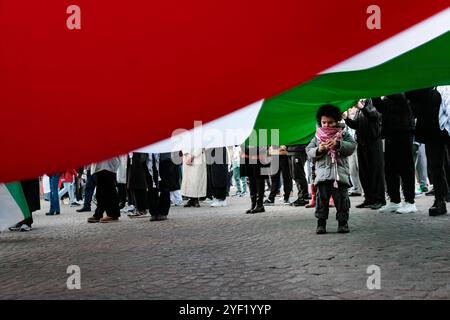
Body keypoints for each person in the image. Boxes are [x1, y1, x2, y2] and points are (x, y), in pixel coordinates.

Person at [306, 104, 356, 234]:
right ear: (320, 122)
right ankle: (321, 224)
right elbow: (309, 151)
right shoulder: (317, 137)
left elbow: (352, 147)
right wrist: (319, 149)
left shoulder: (343, 134)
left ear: (337, 121)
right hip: (323, 176)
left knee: (342, 201)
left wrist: (339, 144)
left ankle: (343, 223)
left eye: (330, 122)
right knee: (321, 201)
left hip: (339, 175)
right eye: (324, 122)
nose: (327, 125)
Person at [373, 94, 417, 214]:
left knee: (406, 168)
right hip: (390, 132)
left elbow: (402, 99)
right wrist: (374, 94)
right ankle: (394, 200)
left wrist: (385, 89)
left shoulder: (402, 90)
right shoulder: (388, 97)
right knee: (390, 169)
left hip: (404, 131)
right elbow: (381, 107)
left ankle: (410, 201)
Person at [343, 99, 385, 209]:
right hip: (362, 143)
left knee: (375, 172)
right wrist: (346, 118)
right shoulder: (360, 111)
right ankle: (369, 198)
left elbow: (374, 116)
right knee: (364, 172)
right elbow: (356, 125)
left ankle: (379, 199)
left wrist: (362, 108)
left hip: (373, 143)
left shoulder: (374, 106)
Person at [87, 157, 121, 223]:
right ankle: (98, 213)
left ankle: (113, 214)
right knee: (100, 192)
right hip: (99, 165)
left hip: (107, 164)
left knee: (109, 191)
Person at [240, 145, 269, 214]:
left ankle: (260, 205)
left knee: (259, 180)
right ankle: (253, 204)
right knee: (251, 181)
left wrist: (250, 148)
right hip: (248, 158)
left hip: (259, 159)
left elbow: (263, 148)